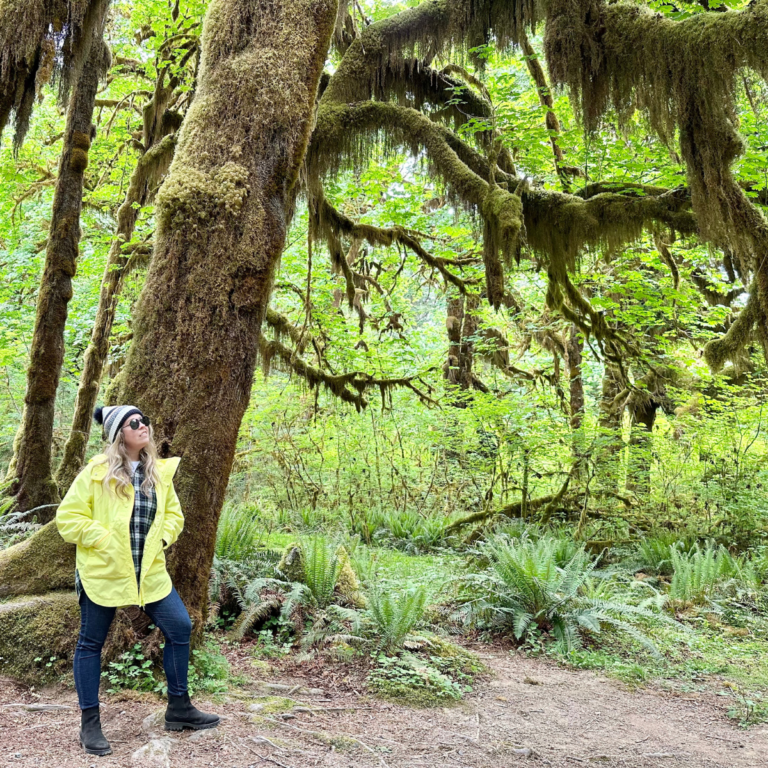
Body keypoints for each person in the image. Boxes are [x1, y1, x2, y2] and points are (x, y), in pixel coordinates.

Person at [56, 404, 220, 756]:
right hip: (104, 572)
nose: (143, 424)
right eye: (134, 422)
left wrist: (162, 539)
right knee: (90, 644)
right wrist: (102, 539)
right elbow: (67, 518)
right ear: (119, 434)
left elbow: (174, 515)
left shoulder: (157, 473)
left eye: (145, 419)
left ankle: (179, 708)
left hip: (149, 573)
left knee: (179, 626)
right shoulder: (96, 473)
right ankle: (90, 724)